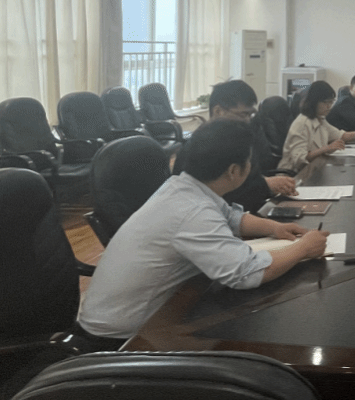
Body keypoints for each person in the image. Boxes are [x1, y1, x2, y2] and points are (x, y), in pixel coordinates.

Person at [75, 119, 329, 347]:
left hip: (148, 313)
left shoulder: (182, 186)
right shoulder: (192, 211)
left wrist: (275, 228)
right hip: (124, 339)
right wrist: (303, 248)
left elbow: (232, 218)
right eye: (249, 162)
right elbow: (246, 273)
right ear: (233, 171)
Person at [173, 79, 297, 214]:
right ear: (218, 111)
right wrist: (266, 185)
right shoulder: (200, 149)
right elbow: (223, 197)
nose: (248, 121)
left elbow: (250, 178)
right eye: (243, 115)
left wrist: (267, 184)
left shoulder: (236, 141)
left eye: (250, 115)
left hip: (245, 213)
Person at [278, 80, 355, 173]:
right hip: (292, 174)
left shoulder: (320, 119)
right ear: (314, 101)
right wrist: (326, 149)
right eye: (325, 102)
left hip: (313, 169)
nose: (329, 106)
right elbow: (299, 159)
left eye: (331, 102)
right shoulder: (302, 123)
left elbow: (341, 135)